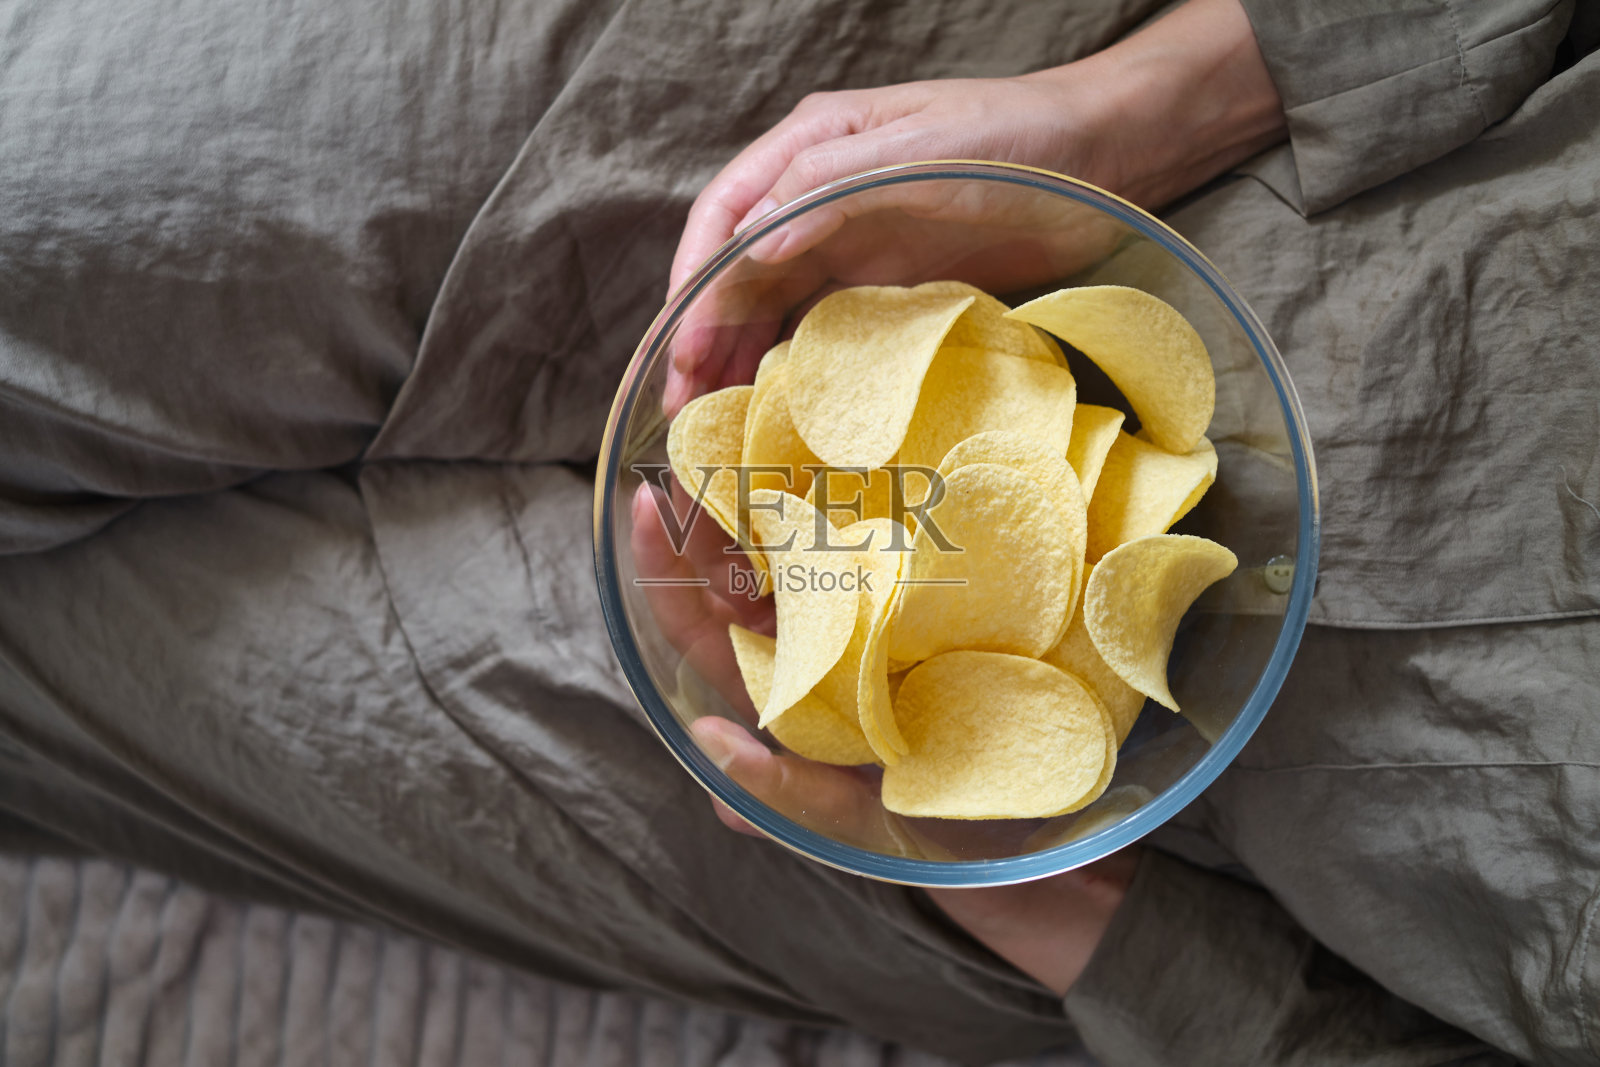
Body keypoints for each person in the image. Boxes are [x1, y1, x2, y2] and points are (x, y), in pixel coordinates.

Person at [0, 0, 1595, 1063]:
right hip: (1033, 140)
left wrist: (1026, 895)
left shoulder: (1016, 846)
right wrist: (1146, 100)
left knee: (57, 698)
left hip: (1070, 841)